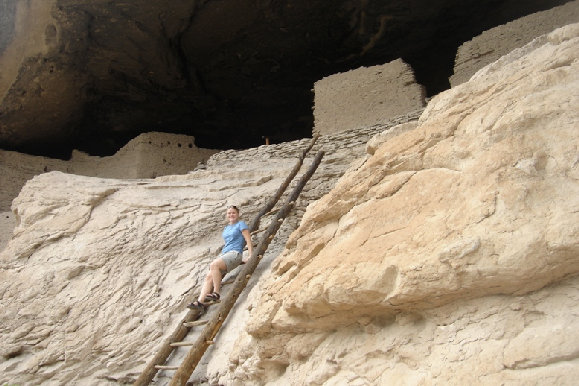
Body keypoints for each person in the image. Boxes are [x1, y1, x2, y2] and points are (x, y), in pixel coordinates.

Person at [188, 205, 253, 312]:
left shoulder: (241, 224)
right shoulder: (226, 228)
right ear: (227, 215)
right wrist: (240, 261)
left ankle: (216, 293)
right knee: (209, 277)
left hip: (235, 253)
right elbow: (228, 243)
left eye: (233, 213)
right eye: (229, 213)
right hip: (225, 254)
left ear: (238, 214)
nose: (231, 215)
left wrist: (250, 255)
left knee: (213, 265)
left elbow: (248, 240)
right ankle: (200, 301)